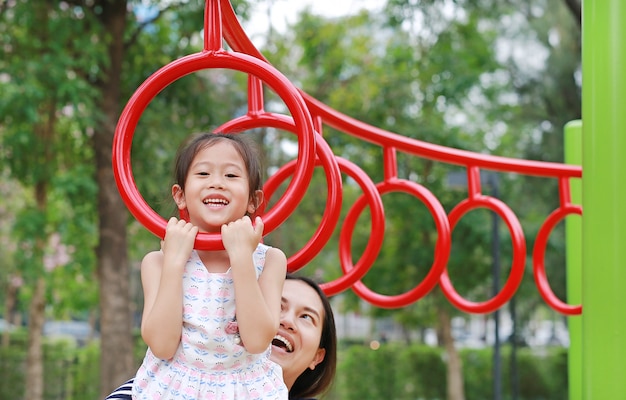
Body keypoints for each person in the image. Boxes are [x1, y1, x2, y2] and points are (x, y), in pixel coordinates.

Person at [132, 132, 288, 399]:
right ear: (180, 195)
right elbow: (162, 345)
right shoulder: (157, 262)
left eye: (231, 176)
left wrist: (241, 259)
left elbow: (257, 340)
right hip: (177, 389)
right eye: (203, 174)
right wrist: (174, 263)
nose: (217, 183)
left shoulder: (270, 260)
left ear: (254, 200)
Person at [105, 274, 337, 400]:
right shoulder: (152, 390)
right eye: (277, 305)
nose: (287, 321)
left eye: (307, 317)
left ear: (317, 357)